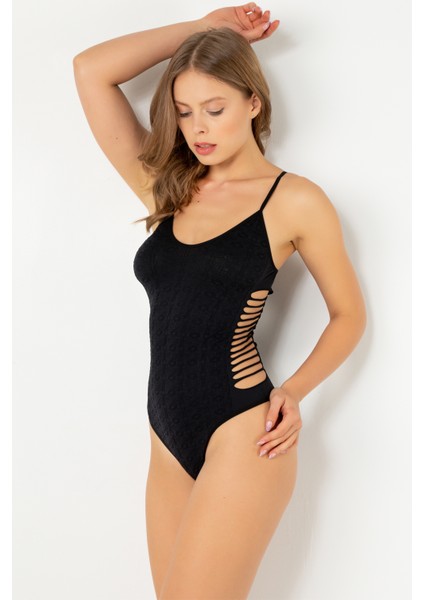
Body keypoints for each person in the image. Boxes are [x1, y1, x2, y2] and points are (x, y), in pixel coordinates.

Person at [73, 3, 367, 599]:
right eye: (184, 112)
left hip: (243, 429)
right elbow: (90, 70)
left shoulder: (294, 200)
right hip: (165, 432)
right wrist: (203, 30)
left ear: (253, 103)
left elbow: (349, 315)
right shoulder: (170, 188)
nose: (198, 128)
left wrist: (294, 391)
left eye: (215, 108)